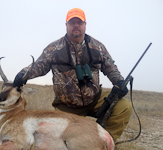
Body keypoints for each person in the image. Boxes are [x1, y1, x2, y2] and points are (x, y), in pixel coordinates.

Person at [13, 8, 132, 143]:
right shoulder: (54, 48)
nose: (76, 26)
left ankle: (106, 141)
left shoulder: (97, 46)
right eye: (72, 22)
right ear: (66, 25)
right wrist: (23, 74)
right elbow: (39, 65)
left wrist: (120, 82)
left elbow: (111, 68)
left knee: (124, 107)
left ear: (85, 24)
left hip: (94, 99)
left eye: (79, 22)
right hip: (66, 106)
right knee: (58, 140)